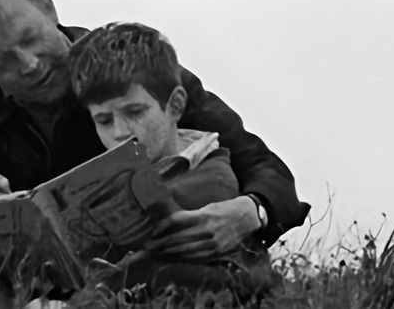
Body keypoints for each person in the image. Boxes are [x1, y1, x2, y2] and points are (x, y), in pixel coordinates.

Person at [0, 0, 309, 307]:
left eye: (30, 37)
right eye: (3, 61)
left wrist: (250, 212)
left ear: (47, 6)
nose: (29, 64)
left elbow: (263, 167)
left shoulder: (135, 72)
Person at [67, 21, 278, 299]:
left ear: (175, 105)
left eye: (135, 112)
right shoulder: (112, 176)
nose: (119, 132)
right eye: (104, 120)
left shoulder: (210, 176)